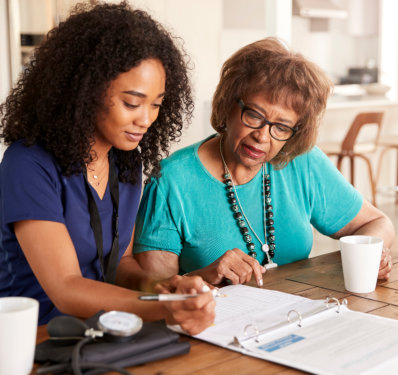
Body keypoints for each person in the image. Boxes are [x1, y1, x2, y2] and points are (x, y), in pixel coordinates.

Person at [0, 1, 215, 334]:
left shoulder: (126, 161)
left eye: (156, 104)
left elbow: (120, 265)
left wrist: (160, 288)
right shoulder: (27, 164)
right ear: (85, 92)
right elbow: (67, 288)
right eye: (131, 102)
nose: (145, 119)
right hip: (34, 341)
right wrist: (161, 308)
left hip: (101, 331)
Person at [133, 37, 395, 287]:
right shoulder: (171, 181)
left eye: (281, 127)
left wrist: (374, 251)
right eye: (254, 115)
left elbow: (377, 223)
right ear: (227, 105)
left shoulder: (301, 162)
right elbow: (154, 291)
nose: (262, 136)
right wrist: (205, 276)